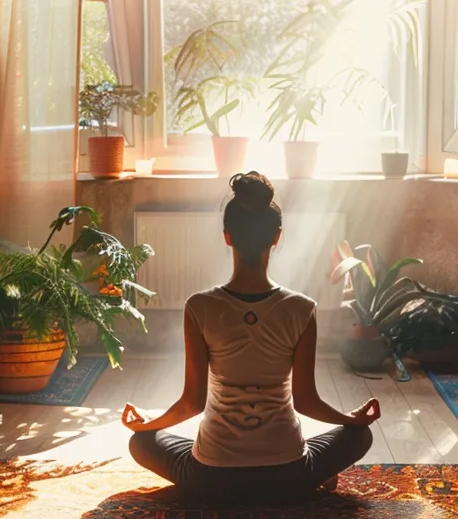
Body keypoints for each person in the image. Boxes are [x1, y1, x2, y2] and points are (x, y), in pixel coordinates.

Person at [121, 172, 381, 501]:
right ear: (277, 237)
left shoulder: (200, 308)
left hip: (211, 479)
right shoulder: (302, 309)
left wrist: (147, 424)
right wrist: (351, 419)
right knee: (360, 437)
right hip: (289, 474)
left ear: (228, 237)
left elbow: (192, 403)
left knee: (140, 442)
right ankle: (315, 477)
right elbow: (306, 401)